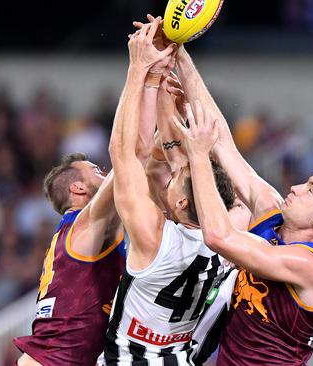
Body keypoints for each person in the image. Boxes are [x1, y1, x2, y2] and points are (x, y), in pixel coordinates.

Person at [167, 36, 313, 365]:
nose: (295, 188)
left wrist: (197, 156)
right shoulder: (272, 214)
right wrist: (181, 56)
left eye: (310, 190)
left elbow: (219, 236)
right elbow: (222, 140)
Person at [13, 25, 172, 365]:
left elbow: (139, 151)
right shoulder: (88, 224)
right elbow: (132, 153)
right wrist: (141, 70)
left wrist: (154, 80)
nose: (106, 172)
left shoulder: (86, 228)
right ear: (78, 189)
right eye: (97, 171)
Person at [102, 18, 237, 365]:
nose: (171, 172)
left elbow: (124, 154)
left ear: (179, 202)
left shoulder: (153, 236)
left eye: (175, 178)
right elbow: (184, 164)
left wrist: (139, 69)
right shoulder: (229, 240)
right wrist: (161, 85)